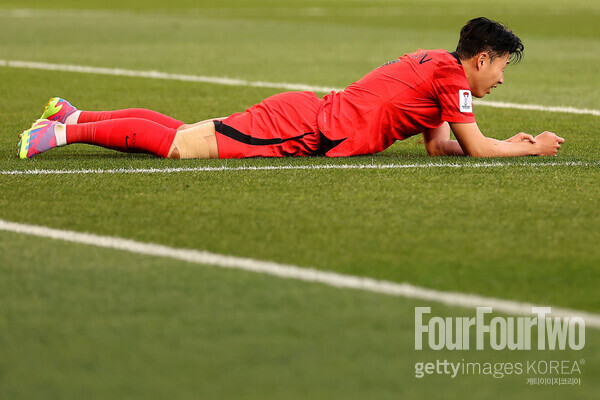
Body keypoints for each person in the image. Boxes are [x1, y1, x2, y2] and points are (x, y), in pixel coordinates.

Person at [17, 17, 564, 160]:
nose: (500, 79)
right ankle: (57, 136)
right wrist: (529, 146)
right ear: (483, 58)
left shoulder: (436, 66)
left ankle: (70, 115)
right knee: (183, 146)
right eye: (502, 68)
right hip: (309, 127)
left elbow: (442, 144)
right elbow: (474, 146)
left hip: (309, 115)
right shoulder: (452, 76)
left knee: (186, 132)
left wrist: (507, 143)